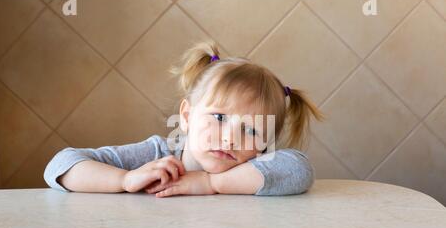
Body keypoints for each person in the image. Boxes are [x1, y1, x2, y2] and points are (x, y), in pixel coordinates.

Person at [44, 40, 325, 197]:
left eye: (251, 130)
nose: (230, 138)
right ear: (187, 116)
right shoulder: (159, 156)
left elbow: (300, 171)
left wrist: (211, 183)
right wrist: (125, 179)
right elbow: (61, 165)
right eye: (218, 117)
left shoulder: (255, 166)